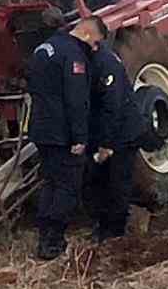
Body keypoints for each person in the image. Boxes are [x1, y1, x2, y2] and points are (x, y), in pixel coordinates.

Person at [27, 13, 108, 260]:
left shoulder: (44, 48)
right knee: (67, 187)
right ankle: (53, 241)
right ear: (86, 34)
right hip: (62, 133)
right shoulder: (73, 55)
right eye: (95, 43)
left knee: (50, 183)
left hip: (41, 129)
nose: (95, 49)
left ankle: (44, 237)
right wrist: (80, 137)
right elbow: (76, 100)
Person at [88, 38, 146, 243]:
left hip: (122, 135)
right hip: (106, 133)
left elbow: (113, 108)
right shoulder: (94, 60)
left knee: (118, 182)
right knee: (100, 181)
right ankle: (104, 226)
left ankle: (116, 233)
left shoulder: (106, 64)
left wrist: (106, 144)